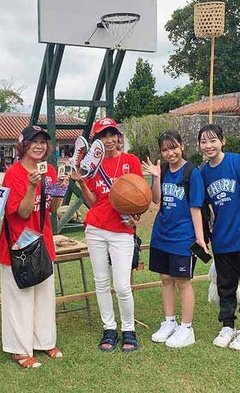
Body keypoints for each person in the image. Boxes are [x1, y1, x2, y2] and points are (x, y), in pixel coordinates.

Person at [0, 125, 68, 368]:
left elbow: (53, 209)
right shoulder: (14, 173)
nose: (39, 146)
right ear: (23, 145)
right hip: (18, 244)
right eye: (33, 141)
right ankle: (19, 349)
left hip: (43, 241)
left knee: (45, 296)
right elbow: (23, 212)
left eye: (43, 141)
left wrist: (60, 189)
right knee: (20, 298)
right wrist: (31, 186)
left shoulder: (50, 170)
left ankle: (45, 341)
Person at [71, 117, 143, 353]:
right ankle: (109, 329)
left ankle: (129, 330)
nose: (110, 140)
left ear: (119, 137)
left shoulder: (130, 161)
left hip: (122, 230)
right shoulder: (92, 166)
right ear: (97, 141)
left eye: (113, 134)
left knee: (122, 285)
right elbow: (93, 202)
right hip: (96, 228)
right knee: (101, 282)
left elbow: (139, 197)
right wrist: (81, 182)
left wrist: (136, 216)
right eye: (103, 136)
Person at [198, 124, 240, 351]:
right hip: (223, 238)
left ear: (222, 141)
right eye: (204, 142)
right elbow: (202, 208)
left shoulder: (238, 161)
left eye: (213, 140)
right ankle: (227, 326)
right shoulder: (203, 172)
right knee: (225, 286)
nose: (208, 146)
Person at [141, 130, 207, 348]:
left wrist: (199, 239)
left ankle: (187, 328)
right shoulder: (163, 171)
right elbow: (156, 200)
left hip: (183, 237)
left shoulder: (192, 172)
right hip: (162, 235)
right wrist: (156, 177)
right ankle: (170, 322)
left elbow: (196, 207)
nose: (170, 153)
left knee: (183, 282)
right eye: (165, 149)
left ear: (182, 146)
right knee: (165, 279)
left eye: (173, 147)